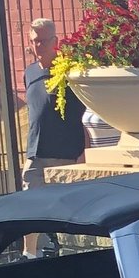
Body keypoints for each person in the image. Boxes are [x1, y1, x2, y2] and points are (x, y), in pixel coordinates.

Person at [22, 18, 86, 185]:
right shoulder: (30, 72)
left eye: (42, 41)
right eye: (34, 41)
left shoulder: (70, 72)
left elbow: (83, 114)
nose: (38, 46)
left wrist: (84, 152)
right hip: (35, 155)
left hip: (65, 155)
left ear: (55, 42)